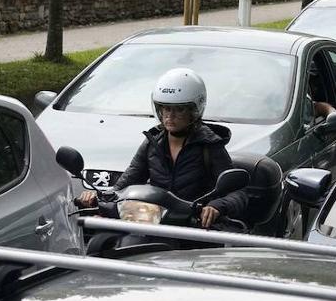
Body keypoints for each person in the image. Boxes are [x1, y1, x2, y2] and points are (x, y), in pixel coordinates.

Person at [76, 68, 250, 228]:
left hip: (192, 228)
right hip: (155, 223)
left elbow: (237, 194)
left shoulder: (210, 146)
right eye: (165, 108)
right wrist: (97, 196)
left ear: (194, 110)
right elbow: (126, 183)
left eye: (179, 110)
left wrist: (215, 206)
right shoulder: (153, 143)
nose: (169, 116)